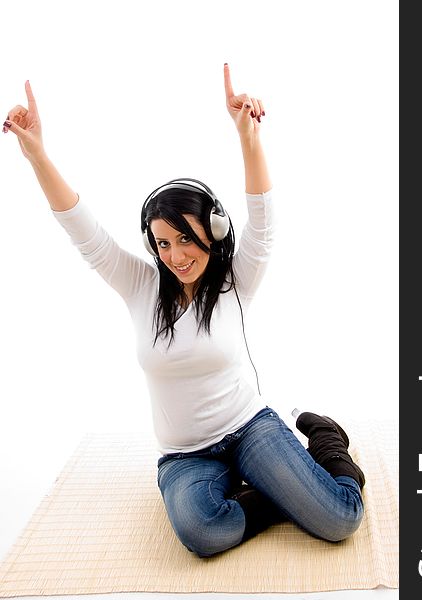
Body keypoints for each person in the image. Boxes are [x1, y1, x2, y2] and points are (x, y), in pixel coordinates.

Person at [3, 63, 365, 558]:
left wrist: (248, 139)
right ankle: (277, 494)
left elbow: (263, 222)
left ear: (212, 233)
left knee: (341, 517)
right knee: (203, 533)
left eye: (187, 238)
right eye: (164, 243)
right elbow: (82, 229)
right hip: (185, 455)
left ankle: (324, 437)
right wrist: (37, 154)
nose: (176, 255)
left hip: (249, 429)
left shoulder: (237, 280)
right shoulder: (139, 284)